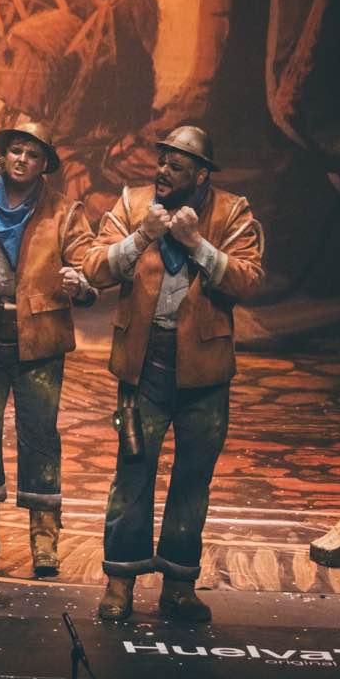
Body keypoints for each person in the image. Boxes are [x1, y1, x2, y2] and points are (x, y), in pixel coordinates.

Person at [84, 125, 264, 622]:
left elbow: (248, 280)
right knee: (132, 473)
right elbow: (95, 267)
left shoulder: (231, 211)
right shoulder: (132, 201)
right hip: (143, 362)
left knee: (192, 480)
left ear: (201, 174)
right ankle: (119, 580)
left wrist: (198, 244)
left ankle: (179, 585)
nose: (163, 171)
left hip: (203, 371)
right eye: (162, 160)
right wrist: (143, 234)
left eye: (177, 165)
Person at [0, 121, 95, 576]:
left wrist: (81, 282)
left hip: (39, 337)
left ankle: (44, 535)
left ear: (44, 165)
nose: (21, 160)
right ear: (4, 154)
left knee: (39, 434)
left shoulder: (64, 211)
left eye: (32, 155)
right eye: (15, 151)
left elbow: (88, 259)